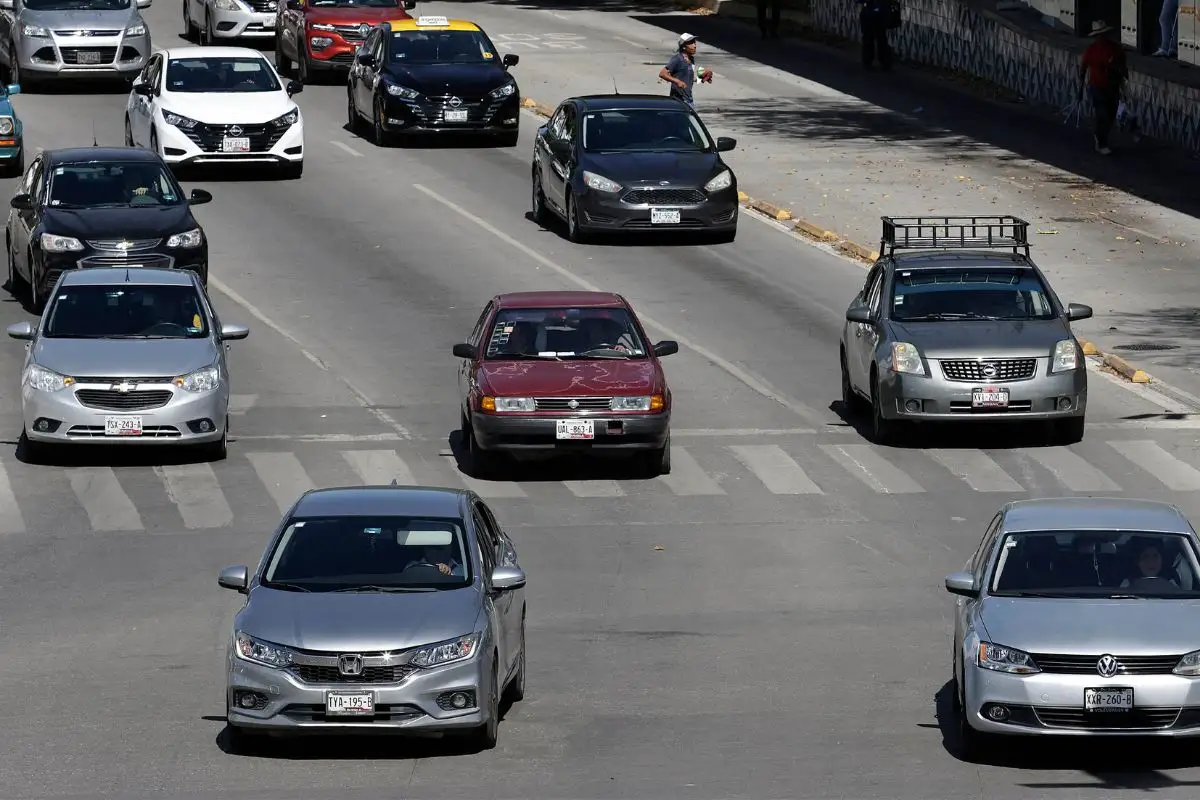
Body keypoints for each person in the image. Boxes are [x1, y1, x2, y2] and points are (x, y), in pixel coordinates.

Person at [1078, 20, 1127, 155]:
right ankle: (1101, 142)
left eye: (1103, 34)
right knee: (1102, 114)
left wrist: (1123, 86)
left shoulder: (1116, 49)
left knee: (1111, 115)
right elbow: (1083, 68)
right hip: (1096, 86)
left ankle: (1101, 138)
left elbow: (1123, 68)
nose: (1101, 37)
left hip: (1113, 86)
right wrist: (1080, 87)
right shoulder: (1091, 50)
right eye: (1099, 35)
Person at [658, 33, 712, 107]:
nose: (694, 46)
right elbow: (662, 73)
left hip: (688, 98)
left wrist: (701, 78)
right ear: (683, 47)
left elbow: (688, 79)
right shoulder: (677, 59)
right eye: (691, 43)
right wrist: (677, 81)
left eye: (694, 42)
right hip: (678, 100)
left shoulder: (691, 59)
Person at [856, 0, 893, 70]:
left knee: (869, 38)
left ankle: (869, 61)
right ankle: (884, 61)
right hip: (881, 12)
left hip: (870, 12)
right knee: (881, 38)